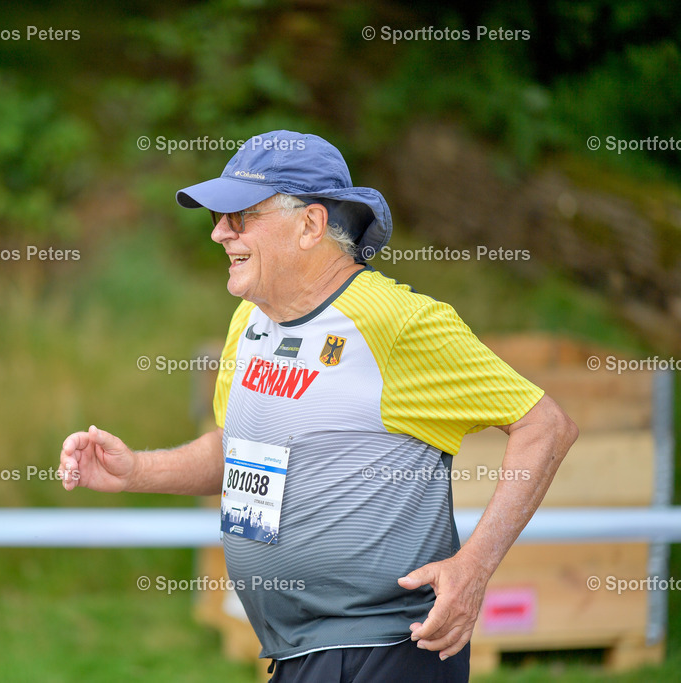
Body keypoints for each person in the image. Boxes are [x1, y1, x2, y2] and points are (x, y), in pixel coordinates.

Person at [57, 130, 578, 682]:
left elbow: (545, 425)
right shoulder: (251, 318)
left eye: (240, 216)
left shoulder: (397, 321)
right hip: (296, 651)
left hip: (387, 646)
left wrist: (473, 567)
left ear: (309, 225)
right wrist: (135, 470)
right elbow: (236, 453)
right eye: (217, 216)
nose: (218, 232)